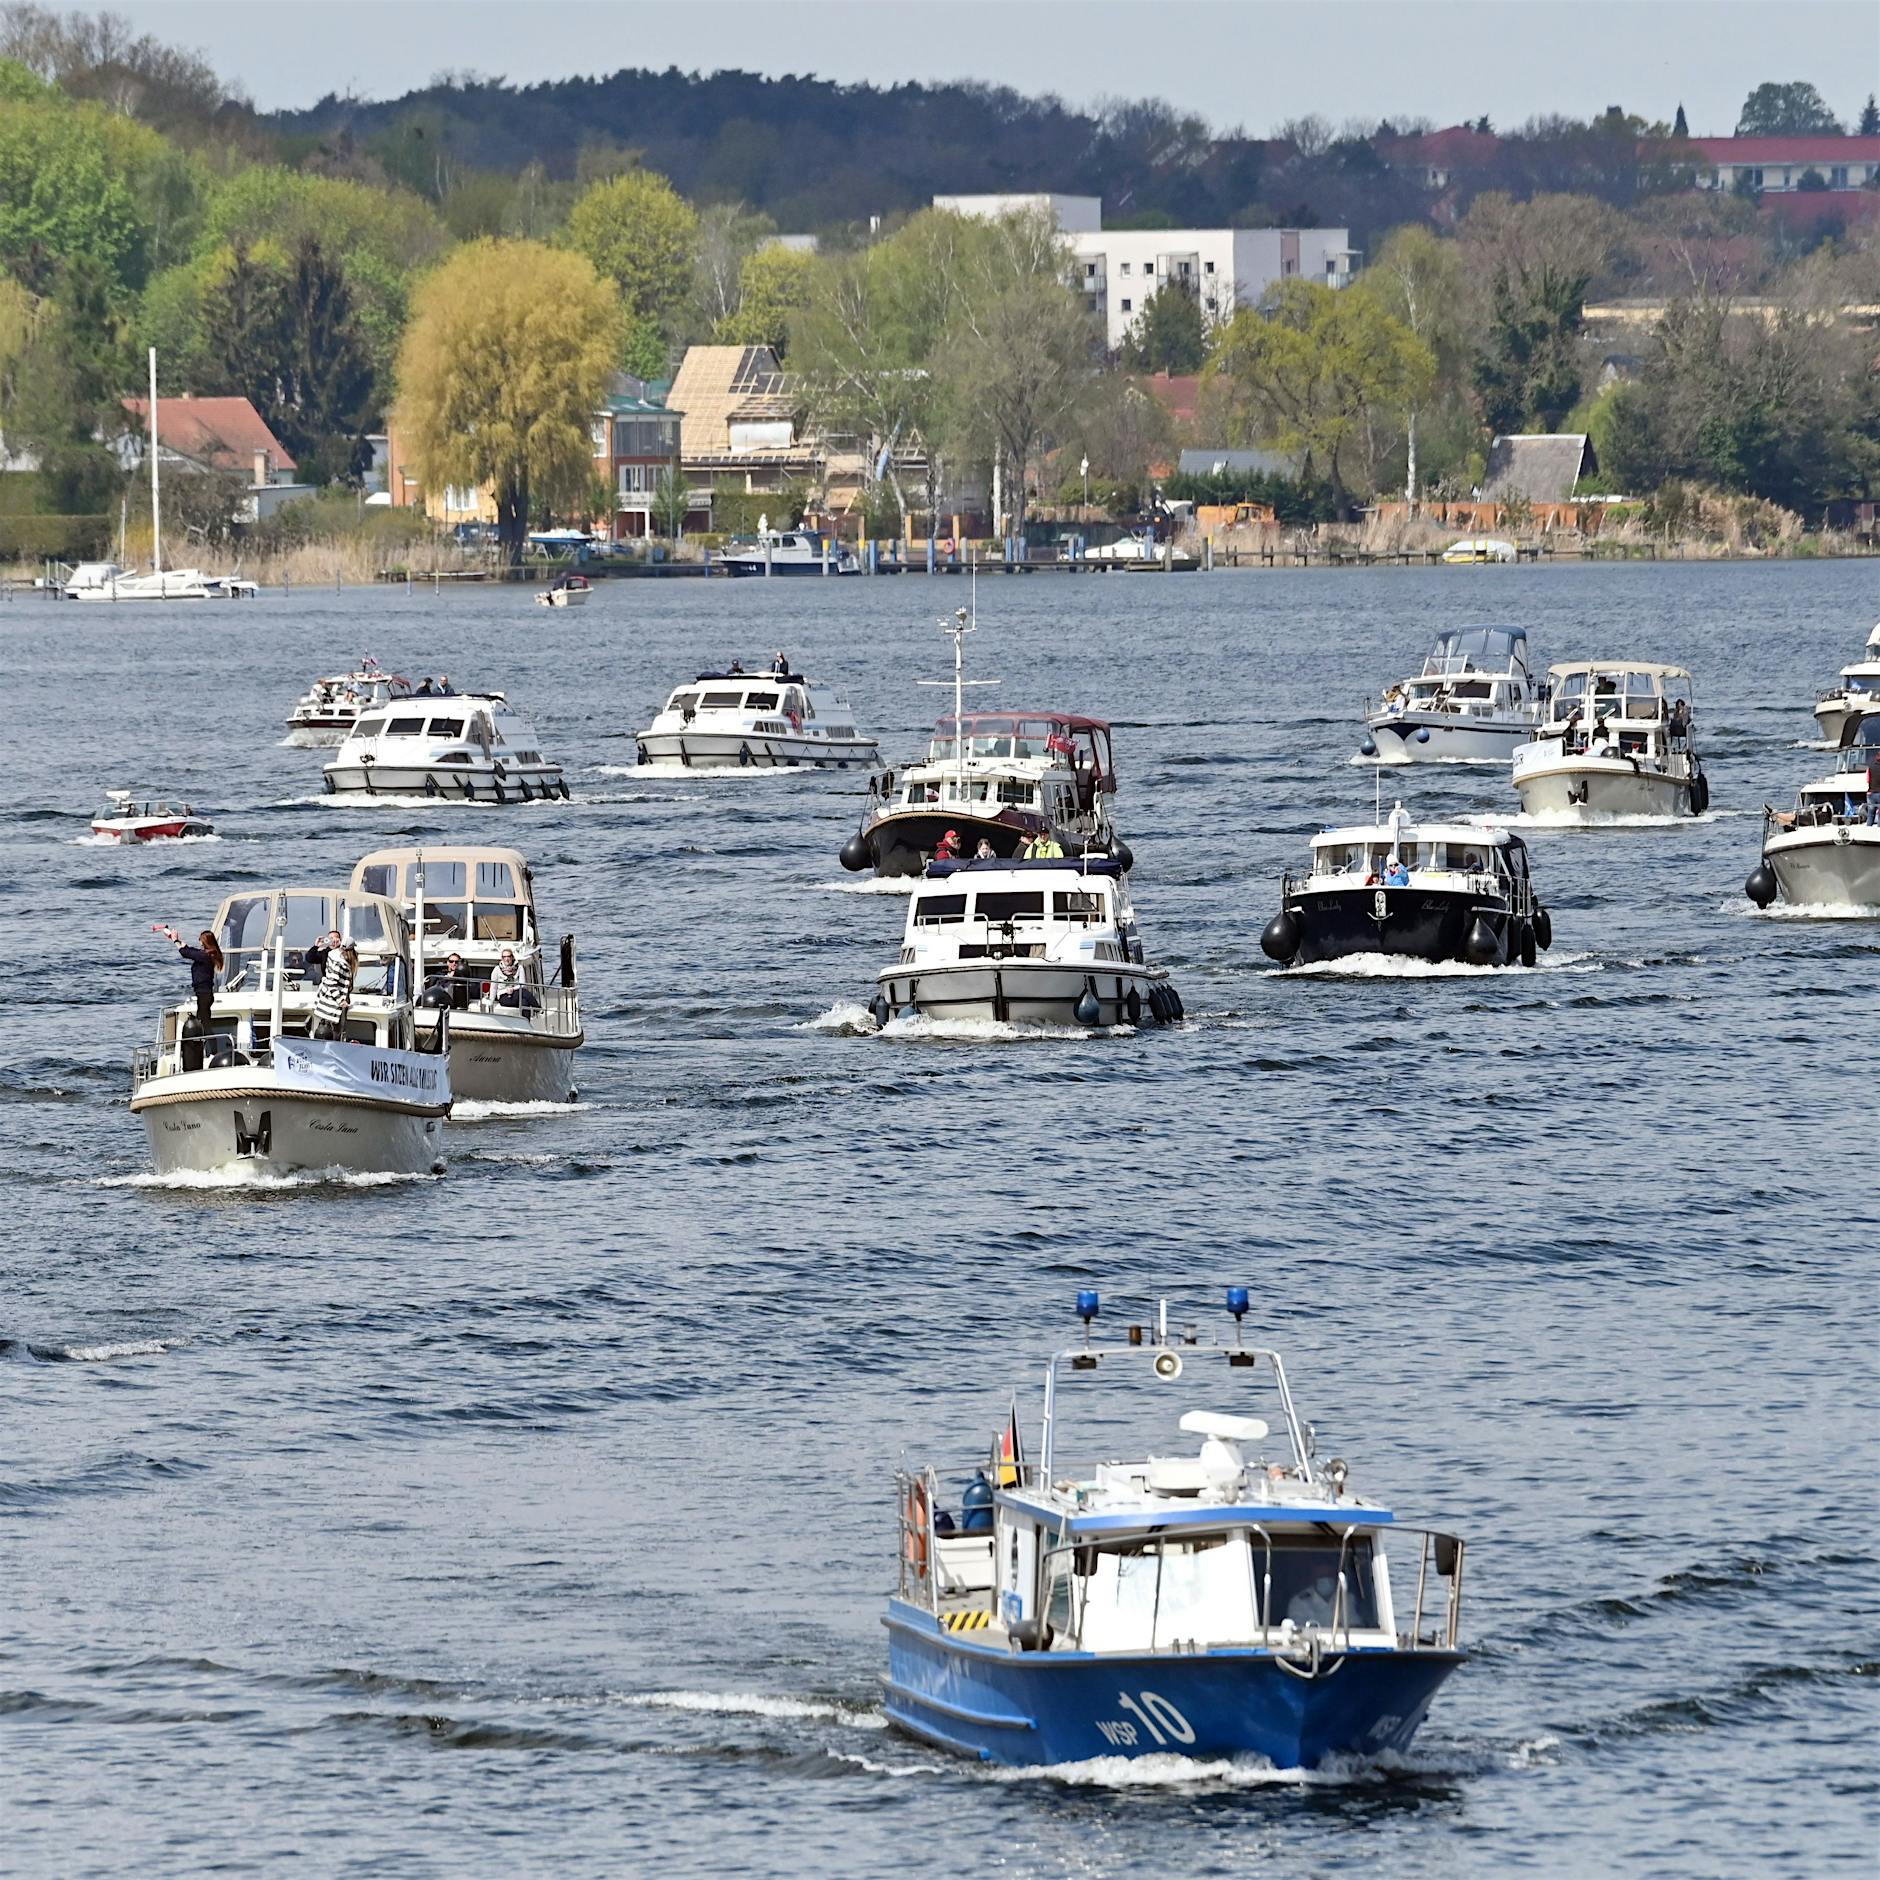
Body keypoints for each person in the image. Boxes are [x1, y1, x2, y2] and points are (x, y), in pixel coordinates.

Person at [164, 926, 223, 1031]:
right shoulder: (209, 954)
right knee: (203, 1020)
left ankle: (210, 1041)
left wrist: (175, 940)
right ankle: (207, 1040)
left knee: (204, 1023)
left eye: (201, 940)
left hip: (204, 994)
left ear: (205, 942)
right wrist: (180, 942)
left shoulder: (204, 956)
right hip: (205, 994)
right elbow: (192, 951)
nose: (199, 942)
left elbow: (185, 953)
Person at [311, 941, 356, 1039]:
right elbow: (331, 983)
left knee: (333, 1031)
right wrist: (341, 1001)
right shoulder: (339, 963)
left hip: (329, 1000)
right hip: (333, 1003)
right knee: (335, 1032)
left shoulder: (333, 957)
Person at [489, 946, 538, 1013]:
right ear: (502, 958)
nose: (506, 959)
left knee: (524, 1002)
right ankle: (537, 1008)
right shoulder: (497, 969)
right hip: (503, 996)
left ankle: (525, 1019)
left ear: (512, 957)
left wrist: (512, 989)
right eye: (504, 957)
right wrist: (491, 1002)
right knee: (523, 992)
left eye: (508, 956)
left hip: (517, 993)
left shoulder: (519, 968)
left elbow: (522, 985)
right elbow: (493, 987)